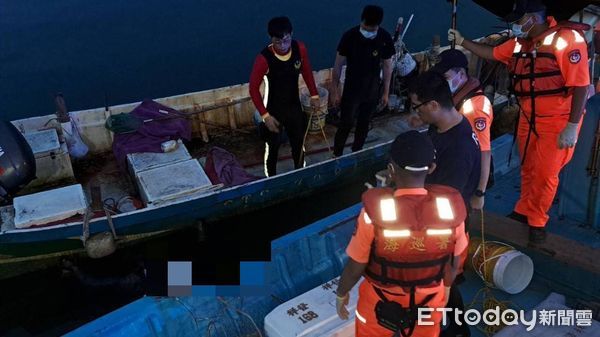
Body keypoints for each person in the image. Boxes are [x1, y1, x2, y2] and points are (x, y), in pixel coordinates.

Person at [447, 0, 590, 244]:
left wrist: (572, 126)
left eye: (518, 20)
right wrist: (463, 41)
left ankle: (537, 222)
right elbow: (490, 53)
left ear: (533, 18)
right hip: (527, 116)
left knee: (545, 174)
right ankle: (523, 210)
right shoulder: (518, 45)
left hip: (556, 120)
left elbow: (581, 85)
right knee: (528, 167)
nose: (514, 25)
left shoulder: (567, 40)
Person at [335, 130, 468, 337]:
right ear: (431, 168)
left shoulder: (373, 214)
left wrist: (342, 293)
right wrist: (447, 287)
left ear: (390, 170)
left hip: (379, 300)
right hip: (429, 301)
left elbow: (356, 265)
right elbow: (454, 261)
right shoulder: (450, 212)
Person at [408, 71, 480, 337]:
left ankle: (453, 332)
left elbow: (444, 205)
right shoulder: (440, 127)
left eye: (417, 107)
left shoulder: (459, 148)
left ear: (434, 105)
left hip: (445, 230)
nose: (416, 113)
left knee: (439, 285)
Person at [249, 16, 320, 177]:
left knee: (298, 143)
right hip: (273, 111)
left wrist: (314, 95)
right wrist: (265, 116)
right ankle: (271, 178)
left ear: (291, 34)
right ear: (271, 39)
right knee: (272, 147)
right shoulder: (263, 59)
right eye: (277, 42)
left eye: (286, 40)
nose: (282, 45)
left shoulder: (300, 48)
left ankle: (300, 171)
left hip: (294, 107)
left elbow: (307, 71)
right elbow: (253, 89)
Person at [432, 49, 494, 210]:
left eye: (445, 77)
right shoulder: (454, 96)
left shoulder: (475, 108)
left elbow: (484, 151)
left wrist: (480, 193)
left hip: (466, 176)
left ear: (460, 74)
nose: (441, 82)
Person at [331, 5, 395, 157]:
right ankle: (337, 154)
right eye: (366, 27)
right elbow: (338, 64)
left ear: (378, 25)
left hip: (372, 91)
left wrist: (385, 92)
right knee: (345, 123)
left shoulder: (384, 38)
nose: (368, 30)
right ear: (362, 21)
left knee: (364, 124)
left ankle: (357, 153)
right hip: (351, 90)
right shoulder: (349, 36)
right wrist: (335, 91)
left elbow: (387, 66)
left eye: (372, 29)